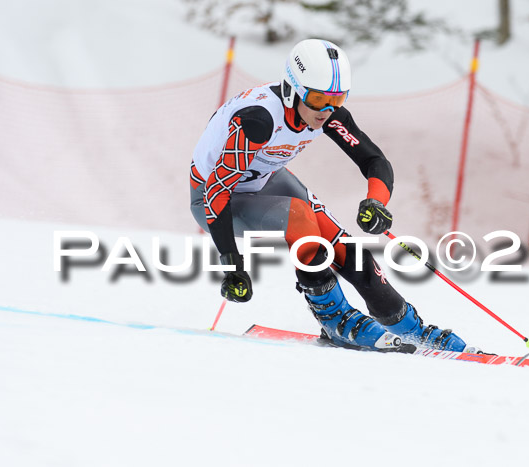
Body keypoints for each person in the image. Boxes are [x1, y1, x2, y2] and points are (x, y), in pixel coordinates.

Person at [190, 38, 474, 353]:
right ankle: (334, 319)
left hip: (264, 179)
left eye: (337, 99)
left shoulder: (325, 112)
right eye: (318, 99)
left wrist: (376, 201)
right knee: (300, 216)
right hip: (214, 198)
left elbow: (374, 161)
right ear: (291, 90)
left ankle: (411, 330)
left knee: (344, 247)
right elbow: (217, 190)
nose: (326, 110)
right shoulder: (259, 120)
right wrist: (232, 264)